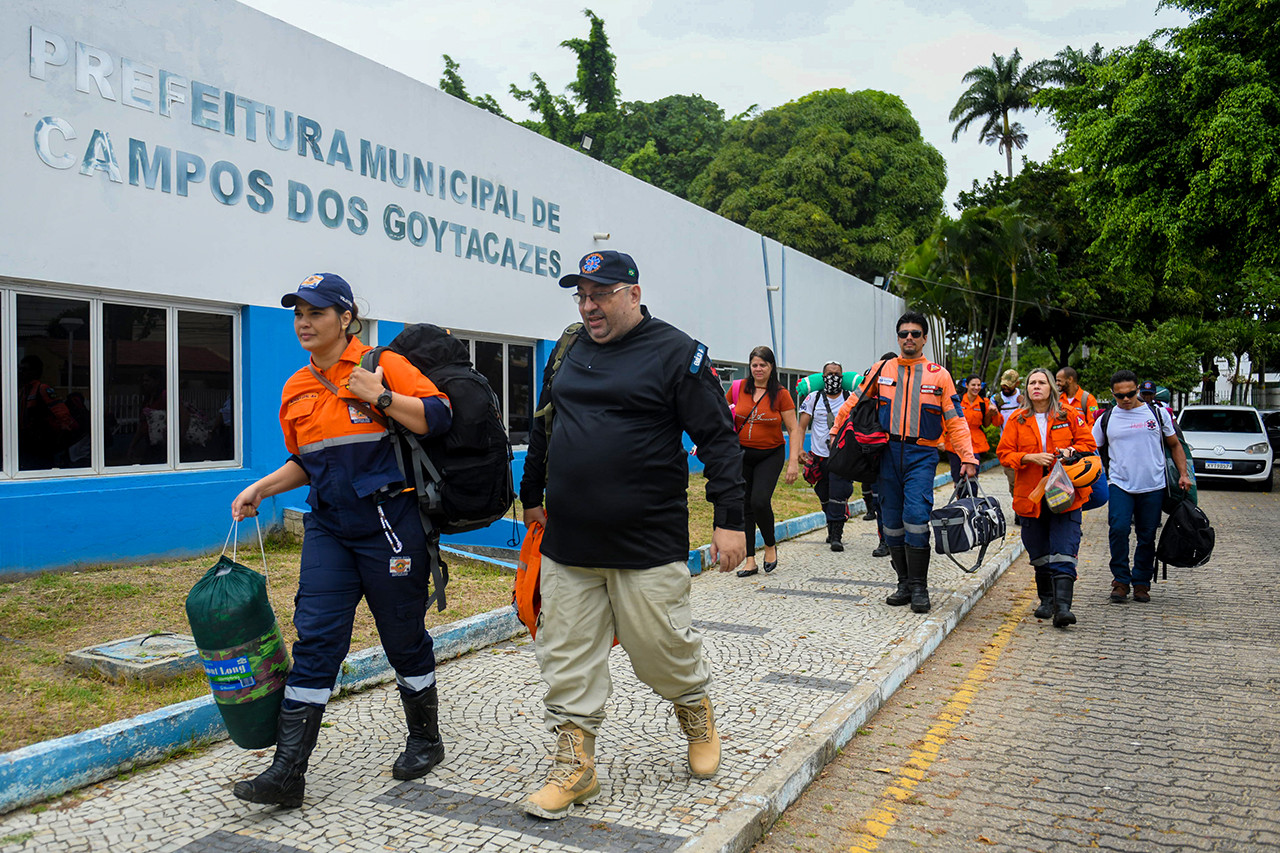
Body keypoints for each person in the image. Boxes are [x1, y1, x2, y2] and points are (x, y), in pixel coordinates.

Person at [518, 250, 747, 821]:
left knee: (660, 648)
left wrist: (731, 520)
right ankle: (577, 765)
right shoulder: (567, 349)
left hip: (646, 540)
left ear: (633, 293)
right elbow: (545, 424)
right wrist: (531, 495)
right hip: (569, 539)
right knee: (565, 652)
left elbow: (719, 439)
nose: (589, 305)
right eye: (581, 295)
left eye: (600, 294)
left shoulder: (676, 353)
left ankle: (693, 707)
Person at [229, 272, 453, 808]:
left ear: (345, 318)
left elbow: (440, 417)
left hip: (389, 524)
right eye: (298, 314)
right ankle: (287, 773)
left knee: (401, 637)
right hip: (328, 527)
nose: (304, 323)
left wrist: (385, 396)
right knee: (316, 640)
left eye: (317, 313)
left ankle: (425, 738)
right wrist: (260, 488)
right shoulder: (296, 388)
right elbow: (306, 463)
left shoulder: (382, 364)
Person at [832, 312, 977, 613]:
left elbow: (956, 421)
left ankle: (920, 588)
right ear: (897, 338)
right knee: (892, 523)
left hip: (921, 456)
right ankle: (903, 584)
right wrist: (835, 431)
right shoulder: (881, 369)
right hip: (885, 454)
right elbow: (854, 403)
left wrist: (968, 457)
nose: (908, 338)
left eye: (914, 333)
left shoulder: (940, 375)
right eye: (903, 334)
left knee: (915, 517)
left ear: (924, 338)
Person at [997, 368, 1095, 627]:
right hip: (1032, 495)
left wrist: (1070, 451)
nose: (1036, 386)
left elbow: (1089, 446)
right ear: (1026, 388)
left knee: (1064, 547)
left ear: (1052, 387)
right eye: (1032, 383)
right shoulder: (1017, 419)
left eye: (1042, 382)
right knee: (1038, 549)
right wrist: (1029, 457)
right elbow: (1004, 454)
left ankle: (1063, 608)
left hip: (1065, 492)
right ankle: (1047, 600)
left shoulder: (1069, 415)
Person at [1093, 369, 1192, 604]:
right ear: (1112, 394)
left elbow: (1175, 445)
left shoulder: (1157, 414)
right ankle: (1120, 580)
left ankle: (1141, 583)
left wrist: (1183, 474)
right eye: (1120, 396)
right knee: (1118, 529)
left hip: (1153, 485)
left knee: (1146, 536)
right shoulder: (1105, 419)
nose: (1126, 399)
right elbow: (1091, 449)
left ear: (1138, 389)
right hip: (1119, 483)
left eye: (1130, 393)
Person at [729, 345, 802, 575]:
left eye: (763, 365)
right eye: (754, 365)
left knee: (759, 501)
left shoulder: (781, 394)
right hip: (741, 454)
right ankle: (749, 560)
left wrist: (793, 462)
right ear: (749, 366)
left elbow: (793, 428)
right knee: (744, 505)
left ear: (772, 367)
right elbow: (722, 413)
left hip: (770, 454)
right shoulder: (737, 387)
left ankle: (770, 545)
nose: (758, 369)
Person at [798, 361, 854, 552]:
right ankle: (831, 525)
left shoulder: (849, 398)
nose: (833, 377)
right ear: (823, 377)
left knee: (838, 494)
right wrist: (798, 449)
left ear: (842, 376)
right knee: (824, 495)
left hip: (841, 457)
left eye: (837, 374)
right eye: (829, 374)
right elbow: (801, 426)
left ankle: (837, 535)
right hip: (818, 457)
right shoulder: (814, 398)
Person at [18, 355, 80, 470]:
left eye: (25, 369)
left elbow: (62, 413)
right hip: (25, 443)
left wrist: (60, 434)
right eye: (20, 369)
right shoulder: (22, 392)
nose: (21, 372)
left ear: (35, 371)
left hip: (41, 444)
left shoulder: (42, 389)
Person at [867, 352, 898, 559]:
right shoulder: (870, 391)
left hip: (901, 453)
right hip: (877, 454)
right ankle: (884, 540)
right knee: (880, 501)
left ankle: (901, 539)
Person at [945, 375, 1001, 483]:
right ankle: (960, 497)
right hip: (956, 441)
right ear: (966, 385)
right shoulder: (958, 400)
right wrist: (941, 440)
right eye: (973, 385)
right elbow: (946, 419)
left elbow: (987, 424)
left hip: (975, 443)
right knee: (957, 475)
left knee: (973, 476)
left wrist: (991, 413)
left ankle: (972, 499)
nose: (976, 387)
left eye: (979, 385)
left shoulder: (983, 403)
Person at [993, 369, 1025, 494]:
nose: (1005, 387)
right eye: (1003, 384)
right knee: (1013, 480)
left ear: (1017, 383)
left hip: (1025, 444)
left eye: (1009, 384)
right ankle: (1018, 506)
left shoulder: (1024, 396)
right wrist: (993, 413)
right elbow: (995, 423)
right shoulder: (996, 399)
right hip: (1008, 445)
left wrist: (1025, 404)